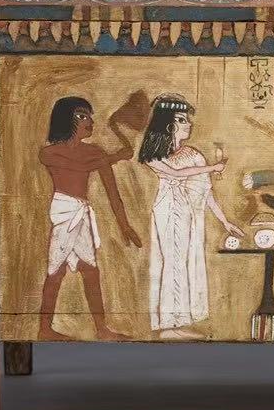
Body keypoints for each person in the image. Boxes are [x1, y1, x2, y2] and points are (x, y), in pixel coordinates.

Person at [139, 93, 244, 339]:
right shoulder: (155, 154)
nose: (189, 124)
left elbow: (205, 191)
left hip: (188, 212)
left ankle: (180, 321)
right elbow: (175, 174)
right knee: (171, 262)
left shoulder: (193, 154)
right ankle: (168, 324)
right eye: (182, 119)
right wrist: (213, 167)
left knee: (187, 262)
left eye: (187, 119)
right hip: (168, 209)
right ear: (168, 124)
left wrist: (224, 221)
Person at [38, 96, 142, 340]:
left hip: (81, 216)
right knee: (56, 271)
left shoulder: (95, 153)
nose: (90, 121)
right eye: (82, 116)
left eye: (90, 116)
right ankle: (44, 329)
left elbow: (113, 194)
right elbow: (78, 164)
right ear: (65, 120)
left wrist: (125, 225)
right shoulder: (49, 153)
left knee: (90, 271)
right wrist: (114, 157)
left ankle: (101, 329)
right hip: (65, 215)